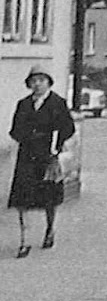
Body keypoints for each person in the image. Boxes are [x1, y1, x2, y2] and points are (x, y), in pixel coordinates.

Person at [8, 66, 74, 258]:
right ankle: (24, 240)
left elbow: (67, 127)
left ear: (48, 83)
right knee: (22, 197)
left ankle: (49, 229)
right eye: (33, 81)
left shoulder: (57, 103)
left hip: (48, 155)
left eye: (41, 80)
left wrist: (57, 146)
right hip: (27, 156)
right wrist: (27, 136)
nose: (37, 84)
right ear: (29, 84)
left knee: (48, 196)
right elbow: (15, 130)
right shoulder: (23, 104)